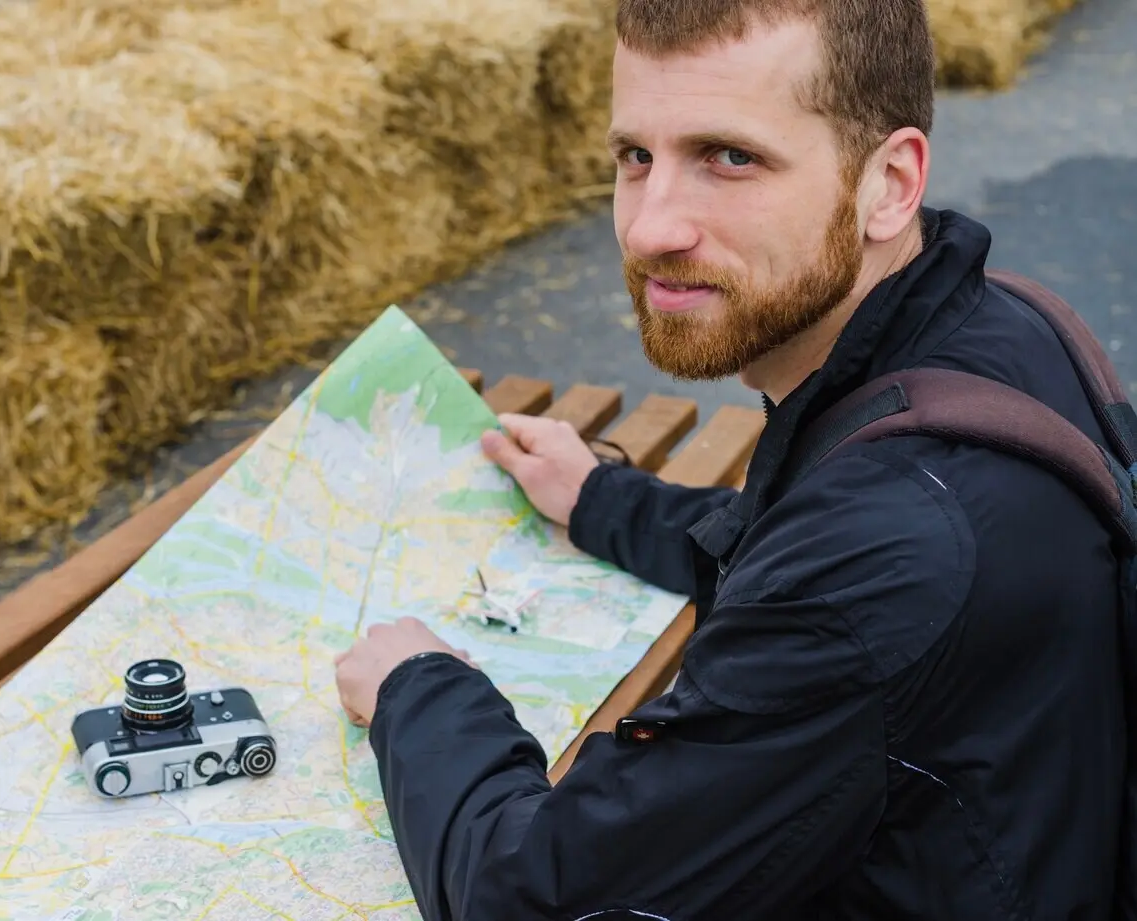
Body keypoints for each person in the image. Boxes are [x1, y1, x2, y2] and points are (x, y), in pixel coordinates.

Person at [332, 0, 1129, 918]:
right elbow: (797, 543)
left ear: (890, 182)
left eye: (730, 157)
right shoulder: (999, 323)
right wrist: (599, 497)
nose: (648, 228)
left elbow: (533, 895)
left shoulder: (892, 546)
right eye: (636, 156)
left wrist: (418, 688)